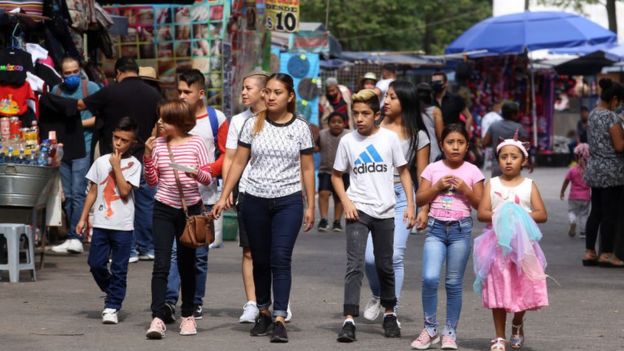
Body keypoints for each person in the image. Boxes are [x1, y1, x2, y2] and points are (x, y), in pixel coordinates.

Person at [212, 73, 315, 343]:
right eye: (267, 91)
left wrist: (311, 205)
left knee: (280, 258)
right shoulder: (251, 125)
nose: (270, 97)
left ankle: (280, 317)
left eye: (277, 92)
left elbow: (307, 168)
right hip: (254, 199)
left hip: (288, 201)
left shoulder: (300, 127)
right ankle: (264, 312)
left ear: (290, 96)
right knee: (260, 259)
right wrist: (224, 196)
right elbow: (238, 163)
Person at [333, 89, 416, 343]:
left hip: (386, 211)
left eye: (365, 114)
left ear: (376, 115)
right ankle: (349, 319)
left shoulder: (389, 139)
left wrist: (411, 205)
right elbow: (336, 175)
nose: (359, 118)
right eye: (355, 113)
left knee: (384, 264)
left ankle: (390, 313)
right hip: (358, 210)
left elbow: (403, 172)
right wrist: (346, 201)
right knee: (354, 265)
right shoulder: (347, 141)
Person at [78, 57, 162, 263]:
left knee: (122, 202)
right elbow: (158, 124)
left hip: (117, 159)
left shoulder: (111, 91)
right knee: (145, 203)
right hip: (144, 156)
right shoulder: (153, 94)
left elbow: (82, 104)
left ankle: (129, 249)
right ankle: (148, 247)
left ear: (118, 73)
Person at [162, 69, 229, 322]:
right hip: (173, 196)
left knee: (198, 256)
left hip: (204, 197)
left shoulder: (216, 118)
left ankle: (195, 302)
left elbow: (226, 155)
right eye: (179, 91)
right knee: (173, 254)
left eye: (187, 92)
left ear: (200, 93)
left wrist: (206, 171)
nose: (182, 95)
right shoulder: (172, 116)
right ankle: (170, 300)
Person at [143, 100, 214, 339]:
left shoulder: (197, 143)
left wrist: (195, 172)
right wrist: (148, 155)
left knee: (187, 264)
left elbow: (208, 179)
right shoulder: (159, 144)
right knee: (161, 264)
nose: (160, 123)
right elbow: (152, 181)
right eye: (160, 118)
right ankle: (157, 317)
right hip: (163, 208)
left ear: (178, 122)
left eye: (165, 119)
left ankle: (188, 316)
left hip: (190, 210)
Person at [361, 81, 430, 322]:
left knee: (394, 256)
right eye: (386, 96)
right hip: (373, 197)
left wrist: (423, 208)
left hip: (402, 197)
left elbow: (423, 177)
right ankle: (379, 294)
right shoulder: (374, 127)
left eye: (393, 97)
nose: (386, 101)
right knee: (370, 258)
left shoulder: (418, 136)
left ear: (406, 102)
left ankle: (393, 310)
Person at [411, 124, 484, 350]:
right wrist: (436, 188)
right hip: (435, 229)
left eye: (460, 143)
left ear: (467, 146)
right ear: (442, 145)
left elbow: (481, 204)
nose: (455, 147)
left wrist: (465, 188)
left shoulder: (473, 171)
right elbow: (420, 198)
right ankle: (430, 328)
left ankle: (450, 331)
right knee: (430, 278)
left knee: (453, 283)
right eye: (450, 142)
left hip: (460, 231)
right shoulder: (432, 169)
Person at [474, 133, 548, 351]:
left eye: (513, 157)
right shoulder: (492, 183)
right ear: (498, 160)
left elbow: (542, 213)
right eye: (503, 156)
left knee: (521, 286)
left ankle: (517, 323)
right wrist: (502, 213)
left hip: (524, 247)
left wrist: (517, 214)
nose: (508, 161)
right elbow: (482, 213)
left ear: (523, 160)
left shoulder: (529, 185)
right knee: (497, 290)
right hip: (496, 247)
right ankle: (499, 336)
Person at [76, 117, 141, 325]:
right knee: (95, 264)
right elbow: (93, 191)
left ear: (133, 143)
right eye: (116, 138)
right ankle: (113, 290)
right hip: (102, 223)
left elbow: (124, 191)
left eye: (124, 140)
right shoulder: (101, 161)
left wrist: (117, 167)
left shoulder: (134, 164)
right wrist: (83, 217)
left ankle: (112, 306)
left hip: (123, 226)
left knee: (120, 268)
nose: (118, 143)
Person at [223, 70, 268, 323]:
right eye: (243, 87)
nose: (243, 92)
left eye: (248, 88)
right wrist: (227, 190)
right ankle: (252, 303)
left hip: (278, 192)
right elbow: (230, 157)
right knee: (249, 251)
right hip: (248, 193)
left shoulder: (281, 119)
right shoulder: (238, 121)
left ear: (263, 91)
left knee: (275, 251)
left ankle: (276, 300)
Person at [51, 56, 101, 255]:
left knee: (79, 192)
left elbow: (100, 117)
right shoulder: (56, 91)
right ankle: (74, 235)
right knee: (69, 194)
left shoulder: (92, 88)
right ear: (61, 74)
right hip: (64, 147)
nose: (72, 76)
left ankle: (75, 236)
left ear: (80, 70)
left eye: (75, 72)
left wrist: (78, 124)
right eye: (67, 73)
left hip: (83, 146)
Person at [583, 78, 624, 268]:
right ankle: (607, 254)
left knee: (596, 212)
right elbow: (619, 146)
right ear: (614, 99)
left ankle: (590, 252)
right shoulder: (611, 118)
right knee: (610, 214)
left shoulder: (592, 114)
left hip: (594, 169)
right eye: (620, 102)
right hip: (611, 171)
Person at [317, 112, 350, 232]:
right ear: (328, 123)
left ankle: (337, 221)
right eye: (333, 122)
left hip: (343, 172)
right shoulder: (322, 134)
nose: (336, 124)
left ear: (344, 124)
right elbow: (316, 148)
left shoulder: (349, 135)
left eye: (339, 122)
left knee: (339, 197)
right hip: (326, 169)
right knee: (323, 193)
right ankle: (324, 219)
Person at [483, 101, 528, 178]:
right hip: (514, 165)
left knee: (496, 187)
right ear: (514, 114)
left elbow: (485, 142)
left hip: (497, 164)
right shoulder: (519, 127)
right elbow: (525, 146)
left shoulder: (494, 125)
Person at [560, 143, 591, 239]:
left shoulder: (572, 170)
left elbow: (566, 181)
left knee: (572, 212)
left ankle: (572, 221)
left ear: (576, 157)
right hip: (586, 196)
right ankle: (583, 232)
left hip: (574, 196)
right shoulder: (589, 171)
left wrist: (562, 191)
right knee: (584, 215)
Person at [416, 82, 443, 163]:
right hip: (434, 152)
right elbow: (440, 135)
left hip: (418, 151)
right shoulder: (435, 111)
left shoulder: (413, 110)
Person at [480, 101, 503, 171]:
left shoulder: (485, 116)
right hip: (496, 139)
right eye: (499, 107)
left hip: (486, 138)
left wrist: (483, 138)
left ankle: (487, 164)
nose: (500, 109)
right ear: (495, 107)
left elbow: (483, 128)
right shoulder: (499, 118)